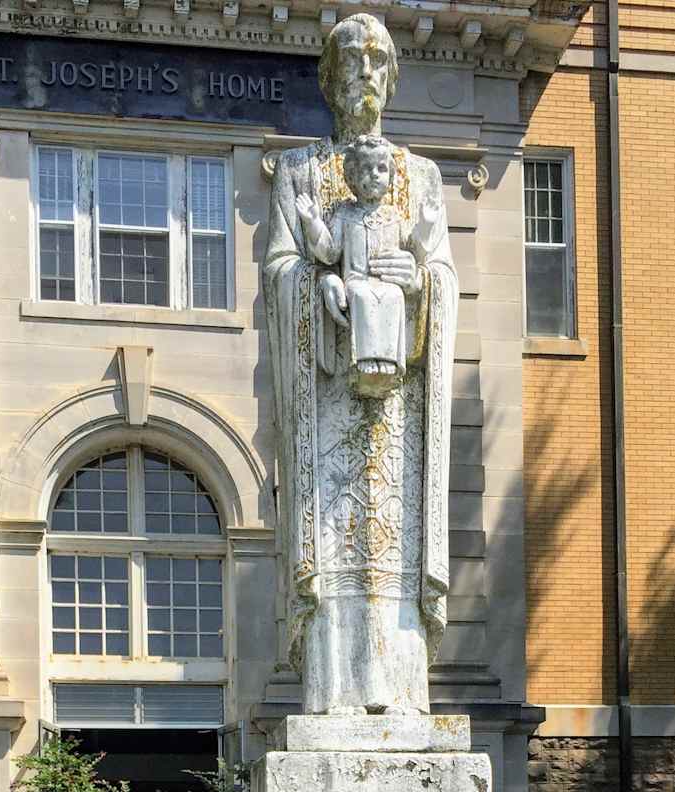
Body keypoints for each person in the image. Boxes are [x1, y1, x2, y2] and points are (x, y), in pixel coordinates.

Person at [262, 12, 458, 715]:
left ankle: (403, 695)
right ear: (330, 79)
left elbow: (442, 273)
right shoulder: (300, 172)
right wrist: (323, 290)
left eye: (378, 63)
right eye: (351, 63)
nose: (365, 76)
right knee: (336, 541)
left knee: (392, 559)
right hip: (328, 400)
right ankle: (333, 697)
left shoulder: (421, 175)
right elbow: (281, 268)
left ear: (392, 78)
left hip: (397, 407)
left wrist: (418, 283)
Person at [295, 135, 410, 398]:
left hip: (386, 282)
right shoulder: (344, 214)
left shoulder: (393, 216)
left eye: (381, 169)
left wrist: (425, 226)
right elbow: (329, 251)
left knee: (394, 295)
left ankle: (389, 362)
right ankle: (365, 361)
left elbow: (411, 245)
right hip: (356, 281)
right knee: (361, 296)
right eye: (365, 169)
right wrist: (313, 221)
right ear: (352, 177)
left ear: (390, 176)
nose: (374, 175)